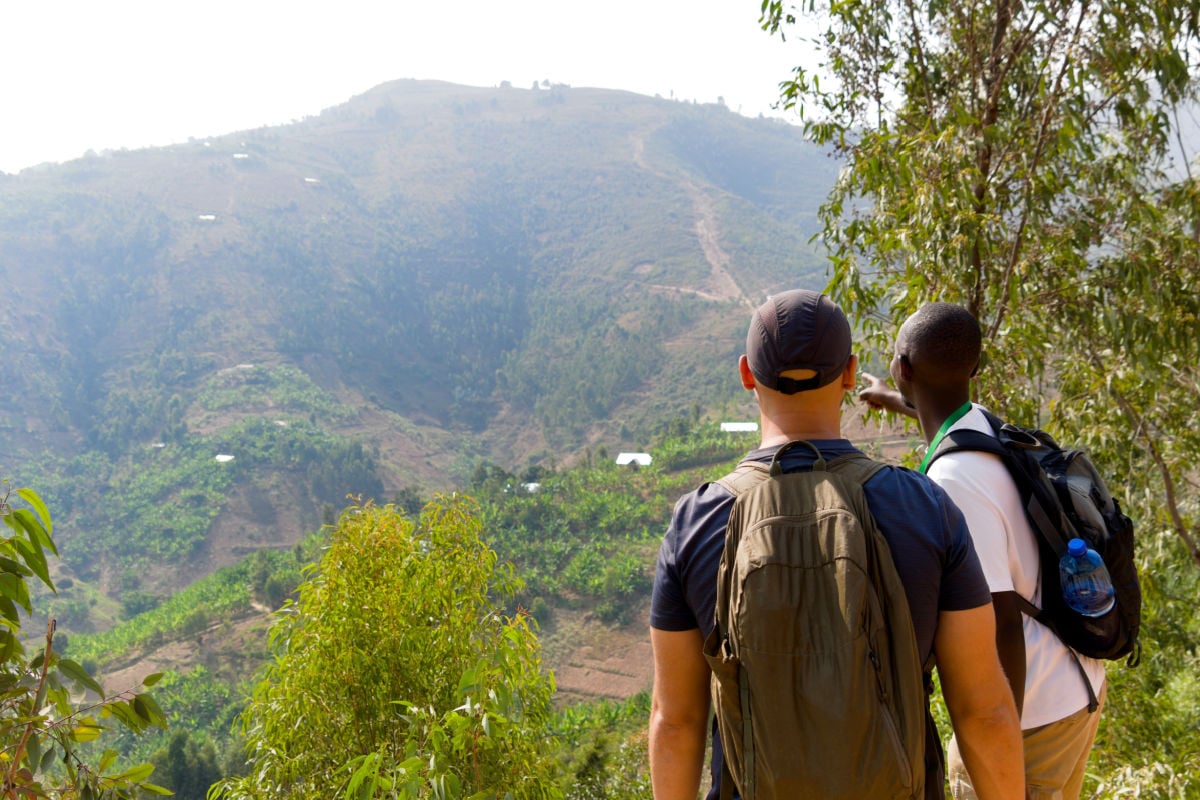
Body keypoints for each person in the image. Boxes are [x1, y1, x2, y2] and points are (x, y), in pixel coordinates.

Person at [648, 289, 1025, 800]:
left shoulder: (696, 522)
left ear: (746, 374)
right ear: (849, 375)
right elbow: (984, 711)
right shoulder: (923, 508)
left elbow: (676, 722)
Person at [859, 301, 1107, 800]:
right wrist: (891, 399)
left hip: (1029, 719)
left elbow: (1000, 627)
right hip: (1071, 681)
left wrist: (1000, 757)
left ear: (903, 367)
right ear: (974, 370)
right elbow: (936, 408)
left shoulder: (956, 481)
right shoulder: (983, 425)